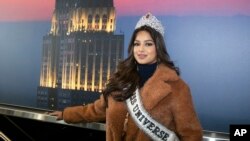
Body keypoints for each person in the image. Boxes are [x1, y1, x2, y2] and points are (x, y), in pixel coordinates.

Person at [49, 12, 203, 141]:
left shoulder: (177, 88)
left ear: (158, 47)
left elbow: (192, 136)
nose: (141, 49)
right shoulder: (122, 79)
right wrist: (66, 114)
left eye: (148, 44)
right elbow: (97, 110)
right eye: (137, 44)